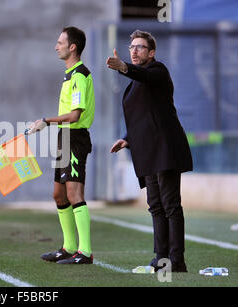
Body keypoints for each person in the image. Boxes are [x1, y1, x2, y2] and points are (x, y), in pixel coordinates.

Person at [106, 30, 193, 272]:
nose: (134, 50)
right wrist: (126, 139)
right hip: (147, 151)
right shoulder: (136, 81)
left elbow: (145, 76)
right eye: (131, 47)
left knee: (171, 205)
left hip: (165, 149)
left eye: (140, 47)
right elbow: (143, 116)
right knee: (155, 206)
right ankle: (161, 258)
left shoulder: (157, 71)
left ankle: (177, 261)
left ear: (151, 52)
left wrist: (123, 66)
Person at [28, 26, 95, 264]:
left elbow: (75, 115)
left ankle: (84, 252)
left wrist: (46, 121)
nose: (56, 46)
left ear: (72, 46)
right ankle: (68, 247)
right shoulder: (69, 74)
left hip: (74, 138)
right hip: (64, 138)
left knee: (74, 193)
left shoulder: (78, 75)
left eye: (60, 42)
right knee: (58, 194)